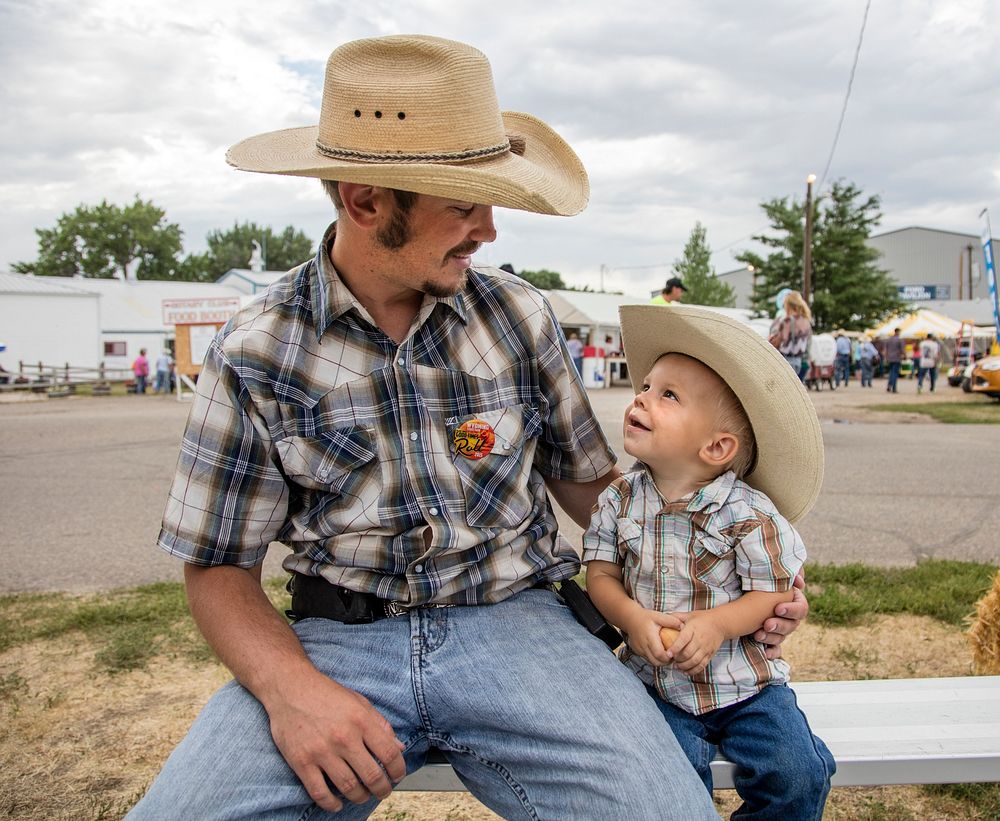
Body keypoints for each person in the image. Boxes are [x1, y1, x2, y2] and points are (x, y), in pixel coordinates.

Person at [127, 35, 805, 821]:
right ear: (365, 200)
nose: (488, 229)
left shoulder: (519, 315)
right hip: (335, 643)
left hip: (523, 627)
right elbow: (215, 568)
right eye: (463, 204)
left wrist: (742, 579)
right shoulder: (255, 349)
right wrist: (292, 691)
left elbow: (598, 491)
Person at [584, 304, 834, 818]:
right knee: (661, 781)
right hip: (654, 684)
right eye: (647, 386)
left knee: (796, 772)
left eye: (667, 395)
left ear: (717, 446)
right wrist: (631, 619)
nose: (643, 397)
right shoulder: (619, 500)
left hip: (746, 686)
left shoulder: (748, 513)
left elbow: (773, 592)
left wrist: (719, 624)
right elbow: (601, 576)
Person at [768, 290, 812, 381]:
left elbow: (780, 342)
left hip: (786, 362)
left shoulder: (787, 321)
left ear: (788, 305)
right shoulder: (806, 321)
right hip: (798, 362)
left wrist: (771, 339)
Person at [885, 328, 905, 393]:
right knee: (895, 373)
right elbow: (902, 350)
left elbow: (886, 349)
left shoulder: (889, 339)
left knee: (891, 372)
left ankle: (889, 385)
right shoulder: (900, 340)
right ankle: (894, 388)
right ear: (898, 332)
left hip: (890, 358)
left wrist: (886, 357)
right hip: (897, 358)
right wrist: (905, 356)